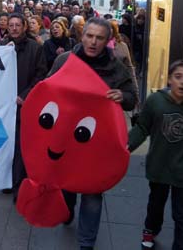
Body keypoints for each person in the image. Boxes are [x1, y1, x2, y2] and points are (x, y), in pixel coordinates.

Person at [48, 17, 136, 250]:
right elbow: (47, 91)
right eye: (89, 36)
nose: (93, 42)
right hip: (67, 140)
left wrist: (122, 96)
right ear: (81, 35)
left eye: (99, 38)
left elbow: (132, 97)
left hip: (98, 145)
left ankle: (86, 243)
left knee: (92, 194)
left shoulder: (117, 66)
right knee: (67, 186)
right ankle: (66, 212)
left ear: (108, 40)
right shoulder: (64, 61)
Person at [128, 60, 183, 250]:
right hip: (160, 165)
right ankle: (150, 229)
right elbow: (142, 127)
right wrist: (127, 145)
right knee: (156, 204)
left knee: (182, 215)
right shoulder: (155, 101)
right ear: (169, 79)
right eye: (178, 77)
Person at [0, 14, 47, 202]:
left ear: (24, 27)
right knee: (6, 142)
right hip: (4, 105)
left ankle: (18, 184)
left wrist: (25, 95)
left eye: (18, 25)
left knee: (20, 145)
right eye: (11, 25)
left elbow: (41, 75)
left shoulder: (35, 48)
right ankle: (6, 180)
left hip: (24, 104)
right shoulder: (1, 48)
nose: (14, 28)